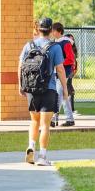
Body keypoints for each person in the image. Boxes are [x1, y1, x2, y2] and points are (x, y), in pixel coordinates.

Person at [19, 17, 68, 167]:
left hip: (32, 89)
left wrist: (21, 85)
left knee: (34, 120)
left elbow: (21, 65)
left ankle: (31, 146)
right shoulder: (55, 47)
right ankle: (42, 156)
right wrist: (65, 89)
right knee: (45, 124)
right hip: (49, 89)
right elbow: (60, 69)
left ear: (39, 29)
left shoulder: (29, 45)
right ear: (51, 30)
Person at [54, 23, 75, 127]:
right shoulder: (56, 42)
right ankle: (69, 118)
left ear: (59, 31)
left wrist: (59, 63)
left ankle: (54, 118)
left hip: (65, 72)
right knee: (62, 95)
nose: (52, 33)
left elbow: (70, 59)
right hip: (59, 71)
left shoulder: (65, 43)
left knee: (59, 93)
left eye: (54, 30)